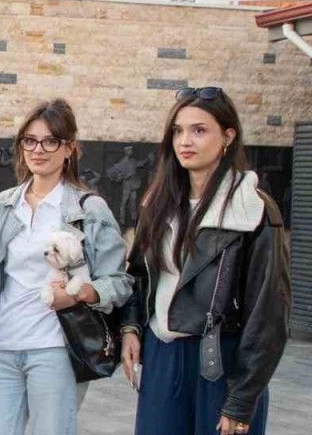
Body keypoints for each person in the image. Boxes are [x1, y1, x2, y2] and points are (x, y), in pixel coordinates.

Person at [119, 87, 290, 435]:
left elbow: (269, 312)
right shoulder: (158, 204)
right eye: (178, 131)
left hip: (222, 360)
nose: (185, 141)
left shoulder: (253, 209)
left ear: (228, 136)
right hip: (163, 355)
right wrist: (130, 328)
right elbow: (138, 275)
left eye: (199, 130)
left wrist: (241, 399)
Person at [0, 99, 132, 435]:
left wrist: (79, 294)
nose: (38, 149)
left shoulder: (90, 209)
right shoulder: (3, 206)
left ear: (69, 148)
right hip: (1, 347)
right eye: (30, 140)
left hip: (55, 349)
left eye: (50, 141)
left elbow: (119, 281)